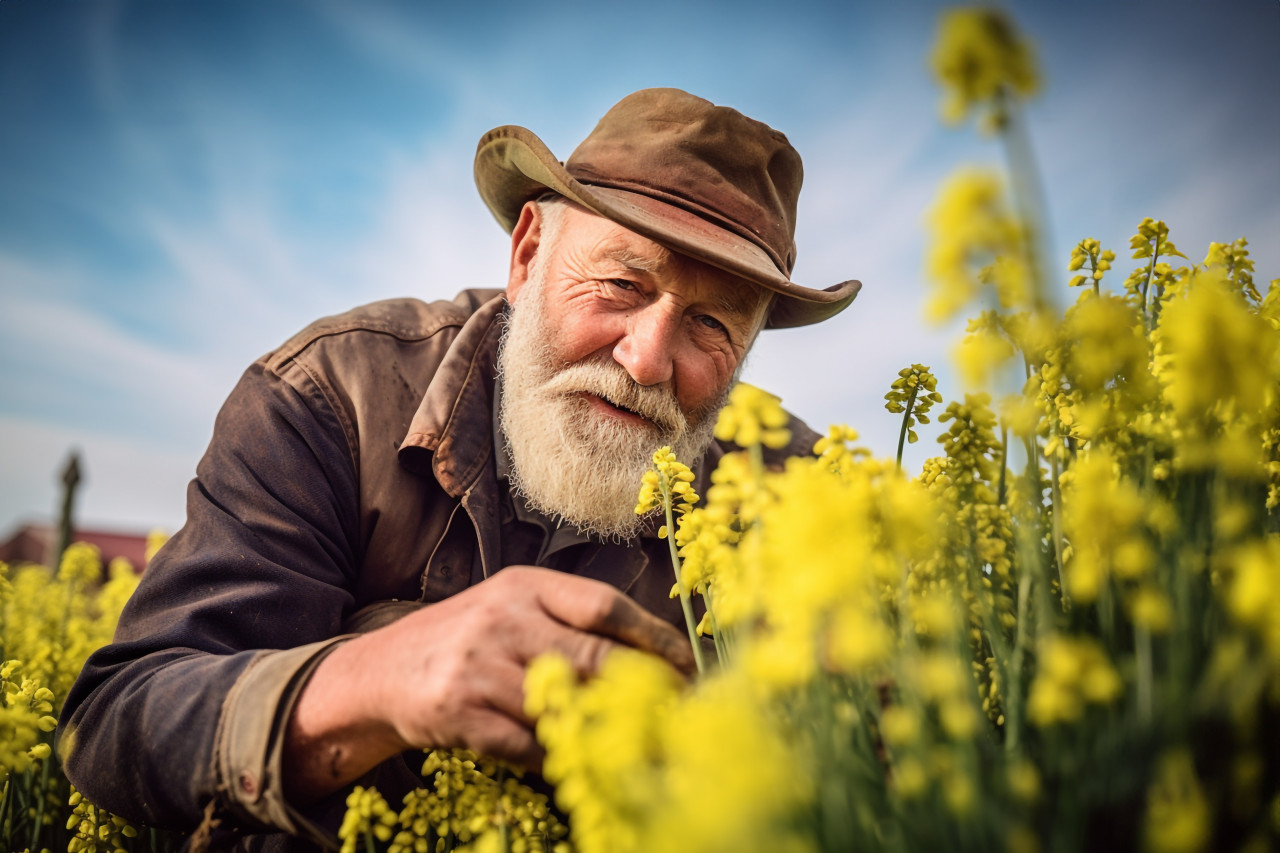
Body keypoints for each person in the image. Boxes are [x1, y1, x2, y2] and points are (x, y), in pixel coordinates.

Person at [58, 87, 861, 849]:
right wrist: (375, 680)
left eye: (712, 324)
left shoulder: (804, 502)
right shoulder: (329, 396)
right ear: (529, 254)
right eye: (621, 283)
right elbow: (116, 718)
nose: (647, 360)